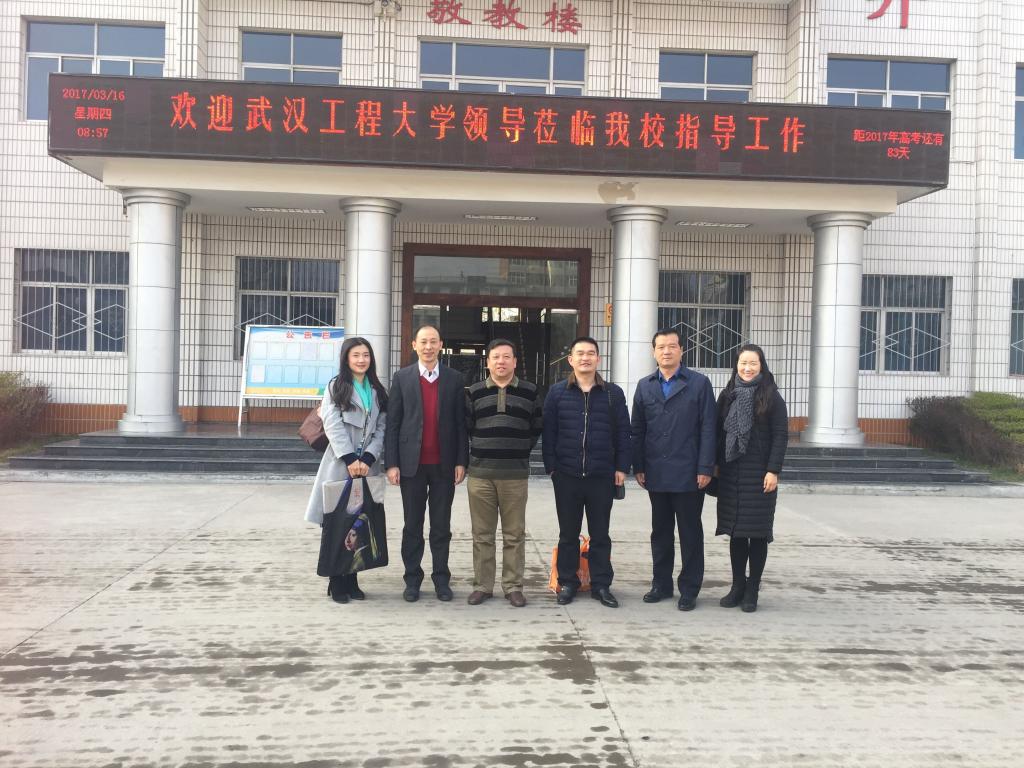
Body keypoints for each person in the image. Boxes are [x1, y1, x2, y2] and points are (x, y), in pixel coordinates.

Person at [631, 328, 717, 611]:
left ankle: (689, 589)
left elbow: (708, 428)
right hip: (656, 471)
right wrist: (639, 465)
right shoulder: (645, 385)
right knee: (660, 532)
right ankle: (661, 584)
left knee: (690, 533)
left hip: (690, 472)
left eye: (672, 346)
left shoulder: (699, 383)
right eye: (661, 347)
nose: (666, 351)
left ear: (681, 350)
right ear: (653, 352)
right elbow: (637, 429)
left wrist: (705, 466)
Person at [542, 336, 631, 608]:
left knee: (600, 534)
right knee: (568, 534)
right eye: (580, 353)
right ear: (570, 359)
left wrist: (621, 467)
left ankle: (601, 585)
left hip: (601, 475)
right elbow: (549, 432)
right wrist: (552, 467)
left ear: (598, 359)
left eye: (590, 353)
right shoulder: (557, 392)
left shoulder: (613, 393)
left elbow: (623, 433)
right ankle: (568, 582)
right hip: (566, 475)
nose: (585, 358)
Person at [384, 325, 468, 603]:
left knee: (441, 526)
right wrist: (392, 463)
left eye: (433, 342)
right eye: (423, 342)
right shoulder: (402, 378)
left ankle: (441, 580)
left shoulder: (454, 379)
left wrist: (461, 460)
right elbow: (393, 423)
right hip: (412, 466)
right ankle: (412, 580)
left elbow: (460, 424)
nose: (428, 347)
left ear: (441, 345)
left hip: (444, 465)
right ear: (414, 345)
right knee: (412, 525)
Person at [305, 336, 388, 604]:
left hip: (366, 467)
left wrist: (369, 457)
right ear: (346, 359)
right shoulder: (336, 387)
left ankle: (352, 579)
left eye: (366, 355)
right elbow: (332, 424)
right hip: (341, 465)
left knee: (358, 524)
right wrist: (351, 458)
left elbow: (381, 427)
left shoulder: (377, 390)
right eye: (356, 355)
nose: (362, 360)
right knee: (336, 523)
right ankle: (336, 581)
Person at [465, 339, 543, 608]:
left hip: (514, 475)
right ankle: (482, 586)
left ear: (515, 362)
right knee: (482, 535)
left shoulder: (530, 392)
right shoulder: (475, 392)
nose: (501, 361)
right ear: (488, 362)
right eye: (496, 357)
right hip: (480, 475)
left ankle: (513, 586)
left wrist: (517, 449)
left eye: (506, 357)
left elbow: (536, 427)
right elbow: (468, 427)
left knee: (514, 535)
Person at [715, 344, 788, 613]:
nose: (747, 368)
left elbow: (780, 436)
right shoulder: (728, 394)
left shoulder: (771, 396)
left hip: (760, 475)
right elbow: (717, 432)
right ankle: (737, 586)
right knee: (736, 533)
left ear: (761, 366)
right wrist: (715, 465)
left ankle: (752, 589)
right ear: (736, 365)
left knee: (756, 534)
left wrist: (773, 470)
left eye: (753, 363)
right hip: (732, 473)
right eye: (743, 363)